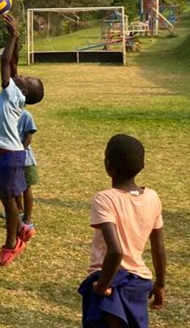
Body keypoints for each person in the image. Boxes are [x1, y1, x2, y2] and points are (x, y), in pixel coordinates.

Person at [78, 134, 166, 328]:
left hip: (111, 280)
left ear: (108, 166)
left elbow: (116, 251)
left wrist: (101, 287)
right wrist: (160, 284)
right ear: (143, 165)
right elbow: (158, 248)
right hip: (139, 283)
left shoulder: (104, 199)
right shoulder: (152, 197)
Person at [0, 14, 44, 267]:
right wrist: (17, 37)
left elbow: (5, 61)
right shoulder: (17, 94)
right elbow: (13, 63)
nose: (21, 75)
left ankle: (12, 243)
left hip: (10, 156)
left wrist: (11, 37)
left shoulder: (11, 93)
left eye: (25, 78)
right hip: (8, 155)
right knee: (4, 197)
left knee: (9, 203)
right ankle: (22, 227)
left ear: (23, 91)